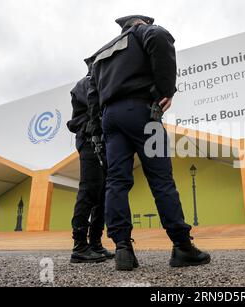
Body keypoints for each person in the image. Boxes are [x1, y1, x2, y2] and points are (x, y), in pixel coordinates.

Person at [86, 15, 211, 271]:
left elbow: (91, 95)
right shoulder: (143, 32)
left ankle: (123, 248)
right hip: (142, 113)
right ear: (138, 22)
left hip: (110, 118)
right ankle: (182, 247)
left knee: (116, 182)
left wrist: (97, 131)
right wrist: (166, 91)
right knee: (161, 180)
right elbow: (160, 37)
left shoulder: (101, 55)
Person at [66, 74, 115, 264]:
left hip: (102, 141)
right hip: (88, 140)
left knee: (102, 193)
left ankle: (95, 242)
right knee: (89, 189)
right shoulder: (86, 83)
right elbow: (96, 103)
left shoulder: (97, 80)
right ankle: (79, 245)